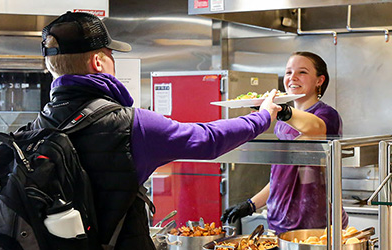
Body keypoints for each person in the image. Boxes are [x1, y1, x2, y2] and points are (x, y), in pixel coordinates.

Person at [36, 11, 282, 249]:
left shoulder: (38, 126)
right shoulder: (131, 124)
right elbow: (208, 139)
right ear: (98, 62)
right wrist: (261, 117)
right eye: (111, 54)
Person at [221, 51, 348, 234]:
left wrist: (282, 111)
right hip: (279, 219)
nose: (292, 77)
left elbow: (316, 128)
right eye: (288, 72)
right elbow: (281, 176)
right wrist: (251, 204)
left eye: (302, 72)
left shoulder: (327, 115)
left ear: (319, 80)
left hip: (315, 221)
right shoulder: (281, 125)